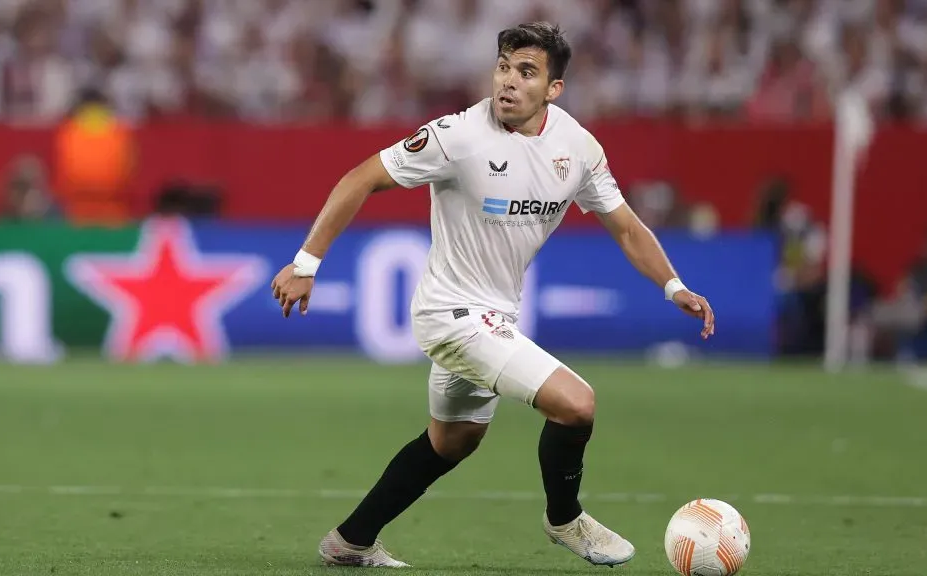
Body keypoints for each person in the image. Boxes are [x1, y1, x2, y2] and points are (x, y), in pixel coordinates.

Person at [270, 22, 715, 568]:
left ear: (554, 88)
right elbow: (362, 176)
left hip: (494, 316)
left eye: (526, 72)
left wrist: (674, 286)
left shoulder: (575, 147)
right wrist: (306, 262)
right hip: (451, 315)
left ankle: (350, 541)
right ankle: (565, 518)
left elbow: (624, 225)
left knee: (451, 441)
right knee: (576, 405)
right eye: (503, 67)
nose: (507, 82)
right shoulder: (458, 136)